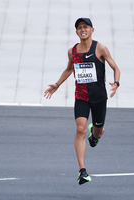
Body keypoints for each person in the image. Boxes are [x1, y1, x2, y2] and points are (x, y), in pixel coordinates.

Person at [44, 17, 120, 185]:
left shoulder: (100, 48)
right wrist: (56, 84)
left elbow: (115, 67)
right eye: (79, 28)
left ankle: (96, 133)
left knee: (97, 132)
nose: (82, 29)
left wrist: (116, 83)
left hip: (99, 98)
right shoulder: (73, 52)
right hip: (81, 97)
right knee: (80, 130)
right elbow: (69, 69)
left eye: (85, 27)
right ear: (76, 32)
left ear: (92, 30)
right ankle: (82, 171)